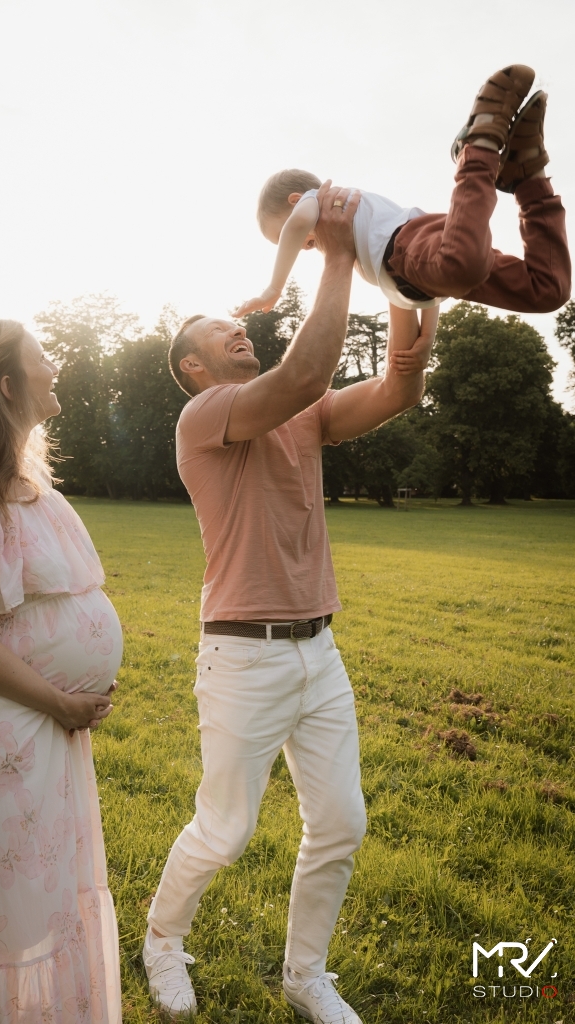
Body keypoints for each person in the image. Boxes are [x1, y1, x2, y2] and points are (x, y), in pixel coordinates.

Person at [141, 184, 433, 1024]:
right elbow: (304, 369)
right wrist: (340, 252)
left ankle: (305, 975)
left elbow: (400, 387)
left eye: (234, 323)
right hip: (242, 655)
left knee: (340, 823)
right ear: (195, 367)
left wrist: (408, 286)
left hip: (319, 653)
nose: (237, 327)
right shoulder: (205, 416)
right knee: (225, 828)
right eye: (216, 331)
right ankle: (163, 940)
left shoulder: (299, 418)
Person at [0, 320, 122, 1024]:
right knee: (13, 919)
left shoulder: (29, 482)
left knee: (52, 901)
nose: (56, 367)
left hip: (41, 724)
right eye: (42, 359)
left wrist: (81, 676)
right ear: (7, 385)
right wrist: (58, 700)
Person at [235, 64, 570, 377]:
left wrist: (273, 289)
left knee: (456, 268)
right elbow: (429, 285)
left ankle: (478, 145)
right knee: (546, 290)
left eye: (282, 237)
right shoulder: (357, 240)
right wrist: (426, 339)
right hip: (434, 259)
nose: (299, 246)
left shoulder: (320, 201)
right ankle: (528, 175)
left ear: (295, 202)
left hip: (411, 244)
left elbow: (297, 226)